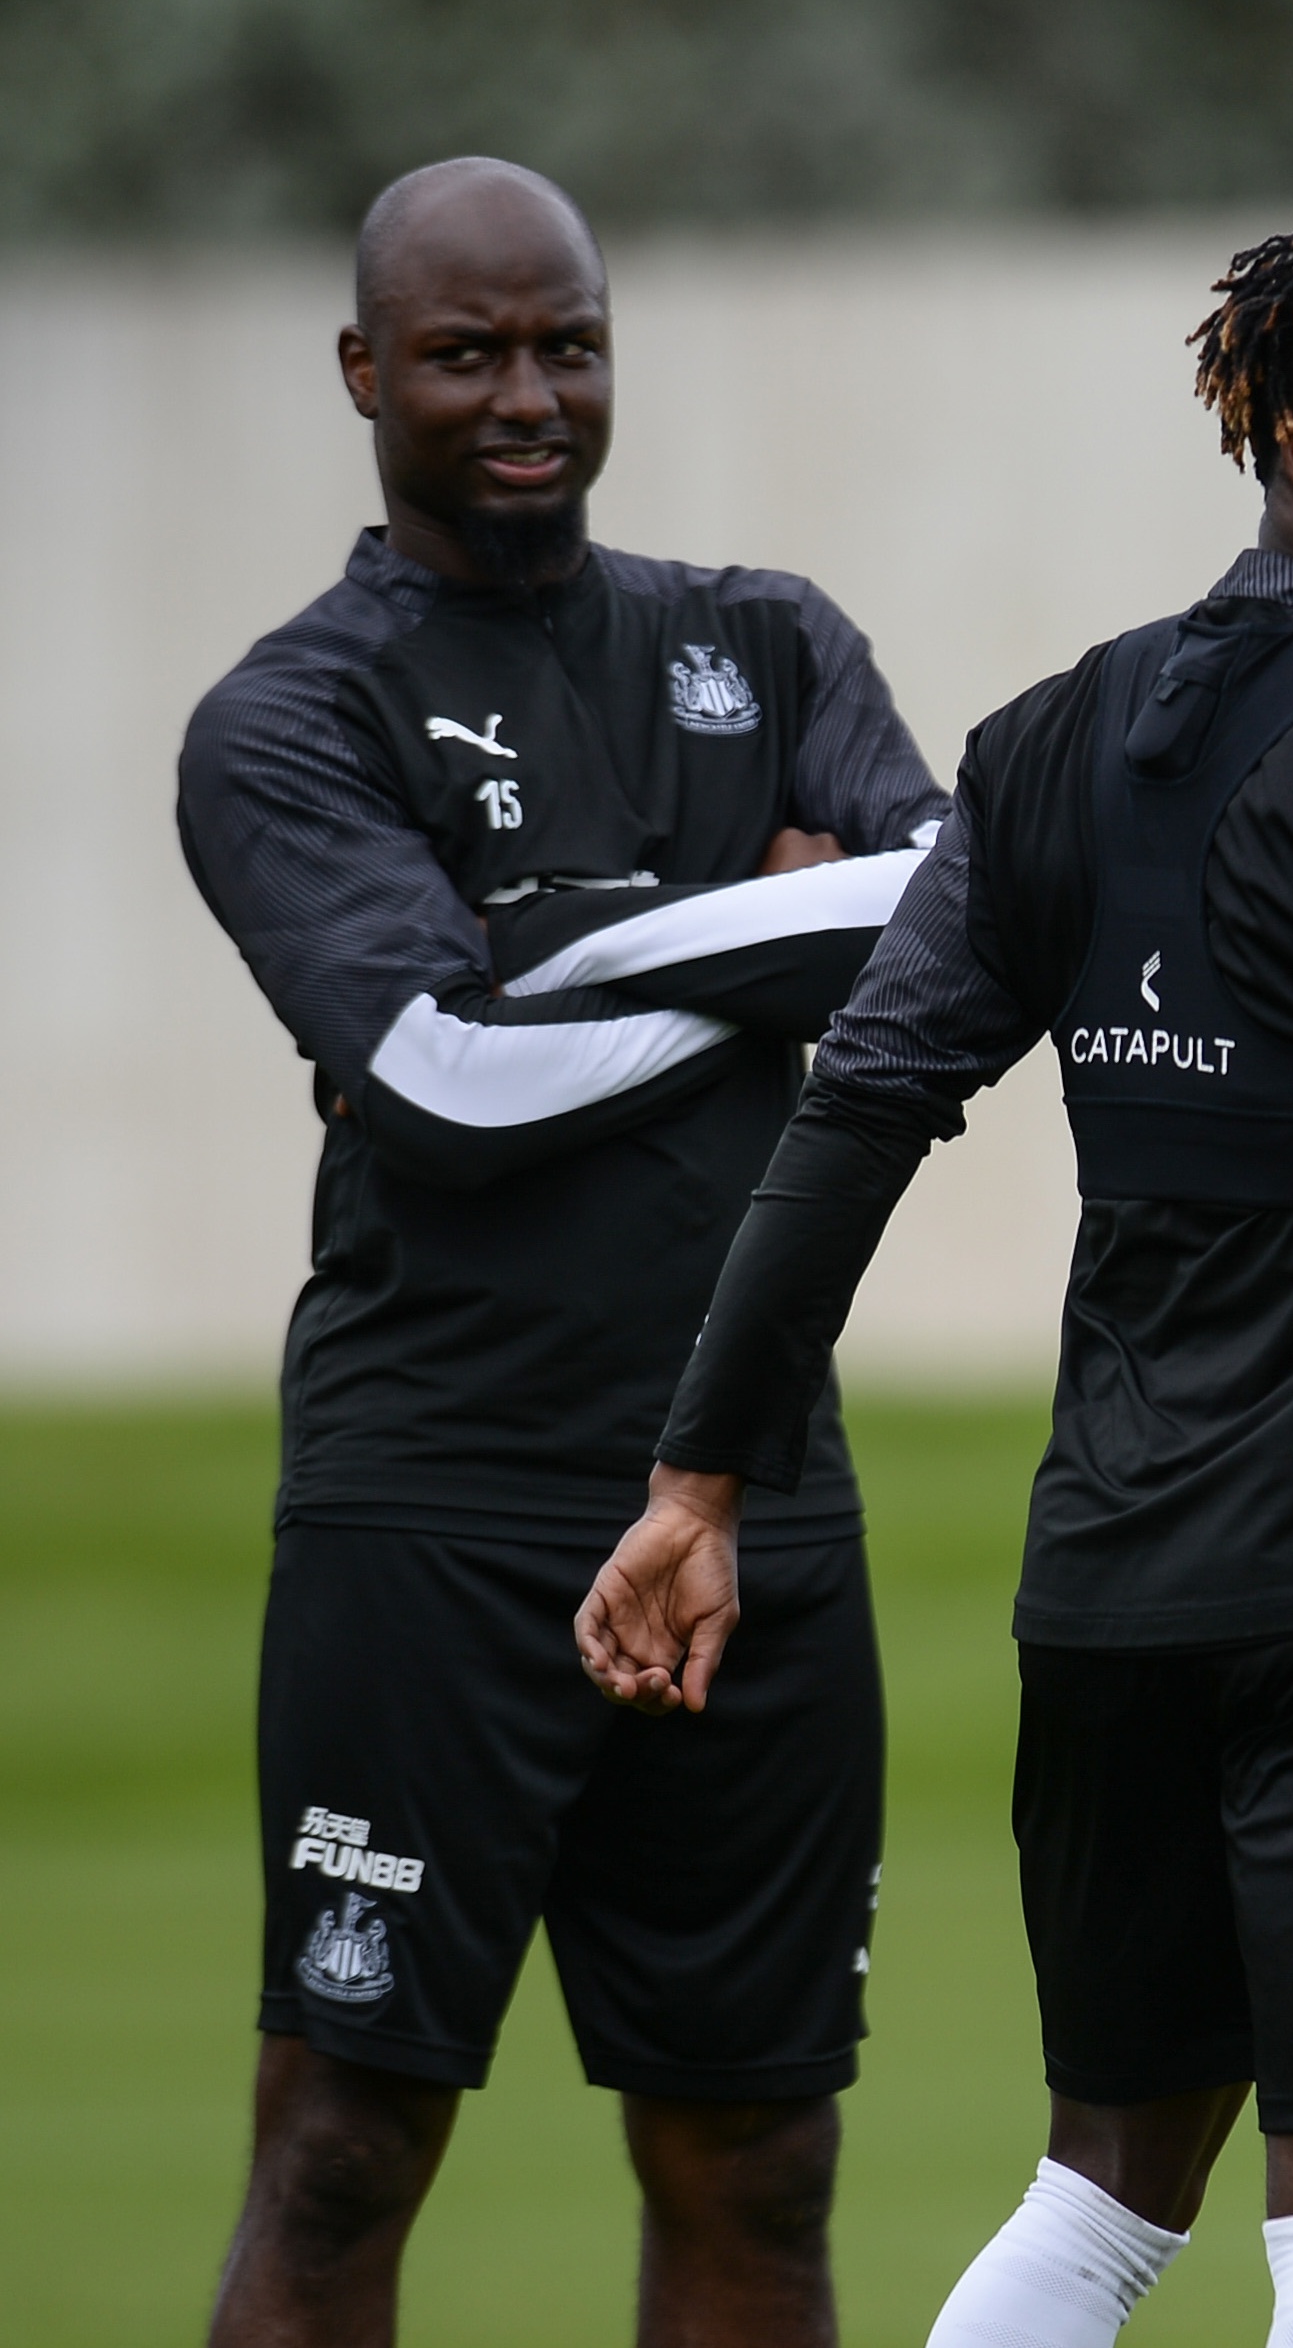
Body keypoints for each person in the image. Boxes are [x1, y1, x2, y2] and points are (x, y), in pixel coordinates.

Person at [573, 162, 1293, 2348]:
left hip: (1114, 1596)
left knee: (1099, 2199)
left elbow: (859, 1110)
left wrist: (698, 1481)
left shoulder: (1047, 742)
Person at [171, 158, 945, 2348]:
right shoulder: (290, 718)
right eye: (468, 353)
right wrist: (762, 937)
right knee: (343, 2146)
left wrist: (564, 958)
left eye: (568, 346)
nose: (528, 394)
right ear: (364, 373)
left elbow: (954, 919)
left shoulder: (766, 639)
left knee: (763, 2159)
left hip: (755, 1491)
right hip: (442, 1499)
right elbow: (445, 1086)